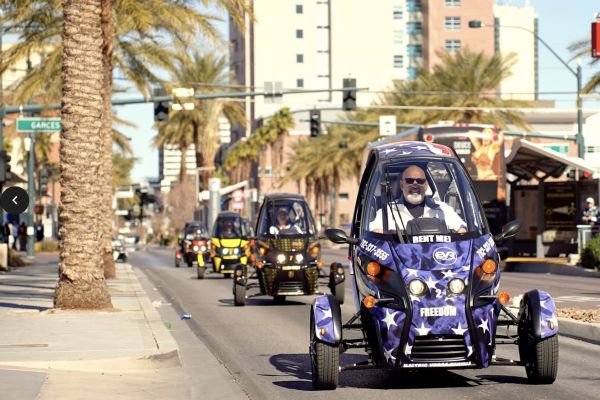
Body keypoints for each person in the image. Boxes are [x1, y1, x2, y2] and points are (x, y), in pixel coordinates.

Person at [369, 165, 467, 233]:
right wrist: (377, 232)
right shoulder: (387, 211)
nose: (415, 185)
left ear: (426, 185)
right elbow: (373, 232)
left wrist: (462, 230)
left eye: (420, 181)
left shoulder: (442, 209)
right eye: (410, 181)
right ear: (402, 184)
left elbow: (463, 228)